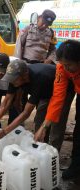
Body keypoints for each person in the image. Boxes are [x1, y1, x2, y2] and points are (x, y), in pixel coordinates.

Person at [0, 59, 73, 147]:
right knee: (39, 121)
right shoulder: (14, 78)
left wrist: (4, 132)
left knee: (56, 124)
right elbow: (6, 101)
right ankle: (41, 147)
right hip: (45, 93)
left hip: (63, 90)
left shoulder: (38, 79)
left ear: (24, 76)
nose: (11, 81)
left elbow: (26, 113)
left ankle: (54, 152)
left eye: (14, 79)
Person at [35, 40, 80, 180]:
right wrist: (44, 126)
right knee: (78, 132)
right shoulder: (62, 68)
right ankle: (76, 166)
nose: (66, 68)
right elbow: (57, 97)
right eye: (64, 64)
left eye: (69, 65)